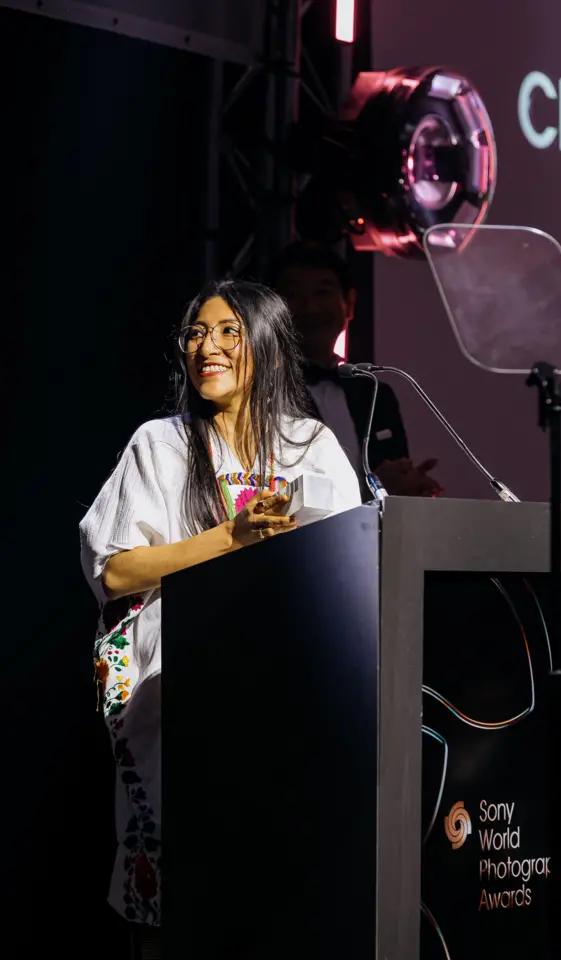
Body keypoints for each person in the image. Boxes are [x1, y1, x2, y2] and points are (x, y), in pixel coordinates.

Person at [79, 279, 361, 955]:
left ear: (266, 343)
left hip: (290, 700)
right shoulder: (161, 445)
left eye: (228, 331)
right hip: (177, 696)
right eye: (196, 333)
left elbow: (357, 557)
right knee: (185, 899)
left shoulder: (311, 445)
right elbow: (115, 568)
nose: (208, 346)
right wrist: (232, 539)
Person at [269, 242, 442, 497]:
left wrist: (408, 489)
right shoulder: (260, 394)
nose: (311, 308)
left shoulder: (375, 394)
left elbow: (393, 485)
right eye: (293, 295)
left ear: (349, 304)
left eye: (322, 292)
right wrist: (373, 493)